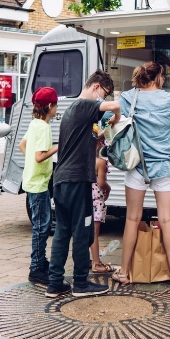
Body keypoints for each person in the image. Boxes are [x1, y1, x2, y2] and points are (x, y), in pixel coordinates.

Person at [111, 61, 170, 287]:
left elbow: (114, 119)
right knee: (167, 219)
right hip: (165, 166)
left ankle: (124, 273)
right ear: (158, 77)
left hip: (137, 164)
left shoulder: (130, 97)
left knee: (132, 218)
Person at [47, 70, 118, 299]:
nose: (103, 99)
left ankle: (55, 283)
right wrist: (114, 107)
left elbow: (96, 133)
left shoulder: (74, 112)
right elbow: (115, 108)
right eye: (103, 94)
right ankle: (80, 283)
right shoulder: (84, 105)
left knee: (62, 232)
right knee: (82, 231)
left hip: (63, 180)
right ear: (96, 87)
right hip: (77, 180)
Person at [19, 86, 59, 286]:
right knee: (41, 227)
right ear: (50, 106)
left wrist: (32, 163)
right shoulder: (43, 127)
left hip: (32, 180)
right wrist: (59, 147)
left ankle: (40, 262)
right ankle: (36, 268)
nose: (57, 107)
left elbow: (22, 145)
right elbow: (39, 155)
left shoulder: (35, 123)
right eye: (56, 104)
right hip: (38, 184)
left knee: (40, 225)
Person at [89, 154, 114, 275]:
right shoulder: (100, 162)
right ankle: (96, 263)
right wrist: (108, 189)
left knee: (85, 230)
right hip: (96, 199)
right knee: (94, 232)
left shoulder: (83, 156)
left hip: (84, 199)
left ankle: (84, 260)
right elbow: (101, 182)